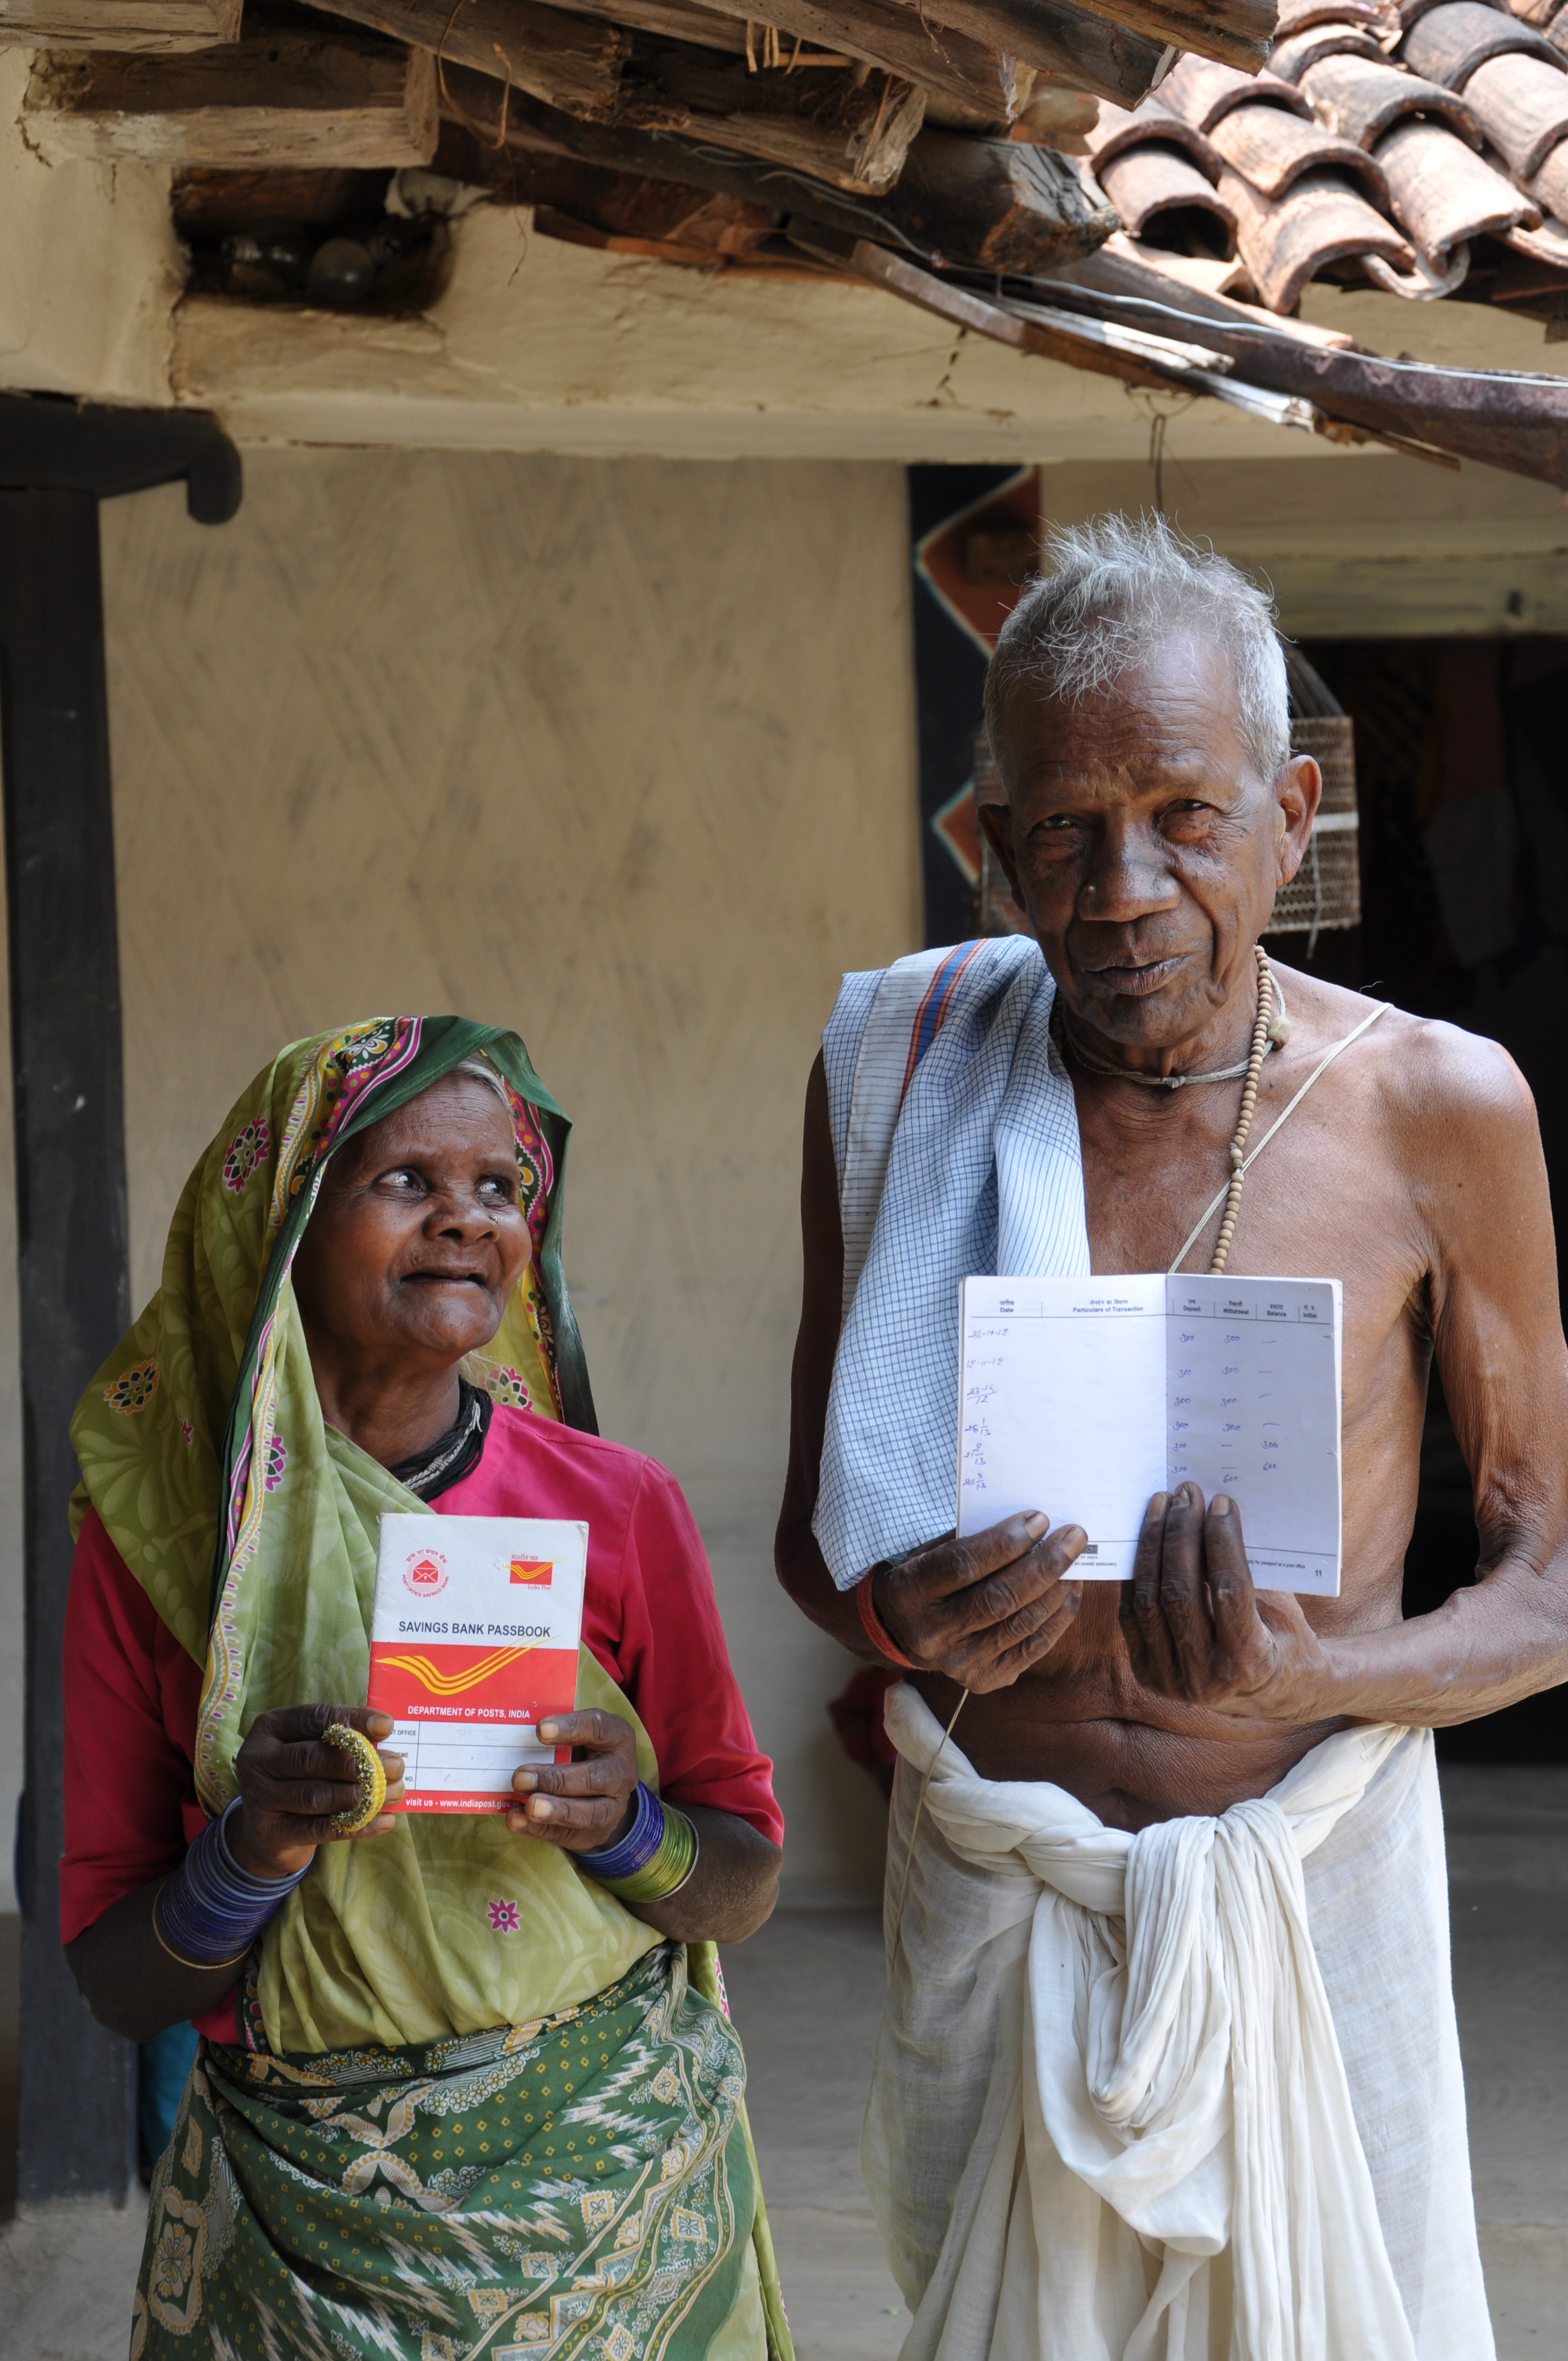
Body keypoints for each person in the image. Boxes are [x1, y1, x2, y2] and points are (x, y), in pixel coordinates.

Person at [775, 513, 1568, 2361]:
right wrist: (906, 1621)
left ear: (1291, 811)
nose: (1118, 884)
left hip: (1302, 1880)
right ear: (991, 844)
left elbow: (1548, 1575)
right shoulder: (895, 1070)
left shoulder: (1434, 1107)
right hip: (993, 1866)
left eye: (1181, 813)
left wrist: (1331, 1663)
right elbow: (821, 1538)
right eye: (1057, 825)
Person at [62, 1015, 790, 2361]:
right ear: (281, 1226)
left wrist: (628, 1828)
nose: (466, 1217)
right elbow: (119, 1979)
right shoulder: (162, 1546)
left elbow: (741, 1882)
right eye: (406, 1180)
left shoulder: (617, 1507)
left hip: (608, 2202)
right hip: (300, 2233)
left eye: (501, 1187)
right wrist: (255, 1844)